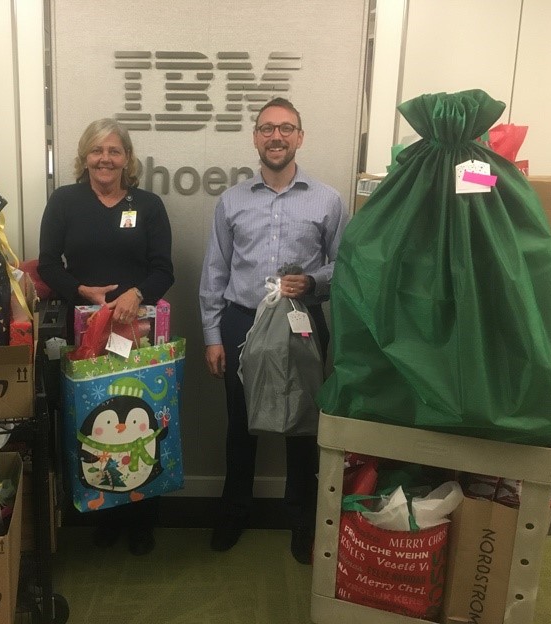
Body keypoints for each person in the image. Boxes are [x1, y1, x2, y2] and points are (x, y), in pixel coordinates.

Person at [199, 97, 348, 564]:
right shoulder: (232, 200)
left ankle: (303, 521)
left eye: (286, 128)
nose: (276, 137)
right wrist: (211, 336)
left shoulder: (327, 199)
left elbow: (345, 266)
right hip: (243, 321)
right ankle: (234, 512)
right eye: (267, 129)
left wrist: (314, 281)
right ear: (256, 137)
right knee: (241, 425)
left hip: (301, 322)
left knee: (303, 426)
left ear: (300, 137)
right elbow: (214, 272)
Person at [38, 118, 174, 556]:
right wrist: (82, 291)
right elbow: (47, 265)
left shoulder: (148, 205)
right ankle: (104, 514)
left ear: (127, 160)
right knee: (94, 418)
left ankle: (142, 520)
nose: (105, 159)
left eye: (115, 151)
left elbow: (163, 269)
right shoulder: (64, 201)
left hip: (141, 331)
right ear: (85, 157)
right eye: (97, 151)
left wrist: (136, 293)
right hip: (85, 330)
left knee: (140, 417)